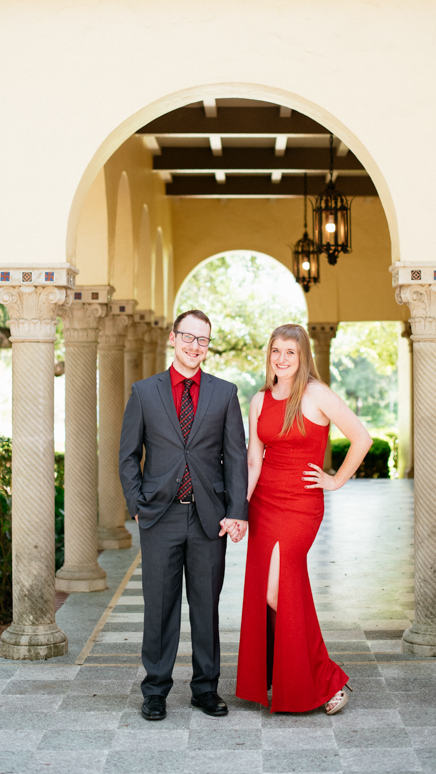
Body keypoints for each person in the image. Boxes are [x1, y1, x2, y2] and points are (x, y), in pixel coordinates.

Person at [236, 323, 372, 715]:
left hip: (300, 506)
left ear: (303, 356)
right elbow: (253, 460)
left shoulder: (317, 394)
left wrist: (335, 480)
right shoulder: (259, 399)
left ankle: (328, 678)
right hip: (264, 503)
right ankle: (298, 677)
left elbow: (361, 438)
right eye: (275, 351)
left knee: (276, 592)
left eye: (290, 352)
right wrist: (240, 509)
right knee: (273, 592)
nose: (281, 359)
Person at [119, 309, 248, 722]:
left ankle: (206, 689)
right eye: (188, 337)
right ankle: (155, 690)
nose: (195, 345)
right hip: (160, 516)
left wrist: (236, 511)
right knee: (159, 607)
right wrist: (138, 504)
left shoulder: (224, 393)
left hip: (210, 519)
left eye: (203, 340)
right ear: (173, 339)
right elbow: (127, 456)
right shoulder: (144, 392)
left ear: (207, 347)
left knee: (206, 607)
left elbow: (237, 459)